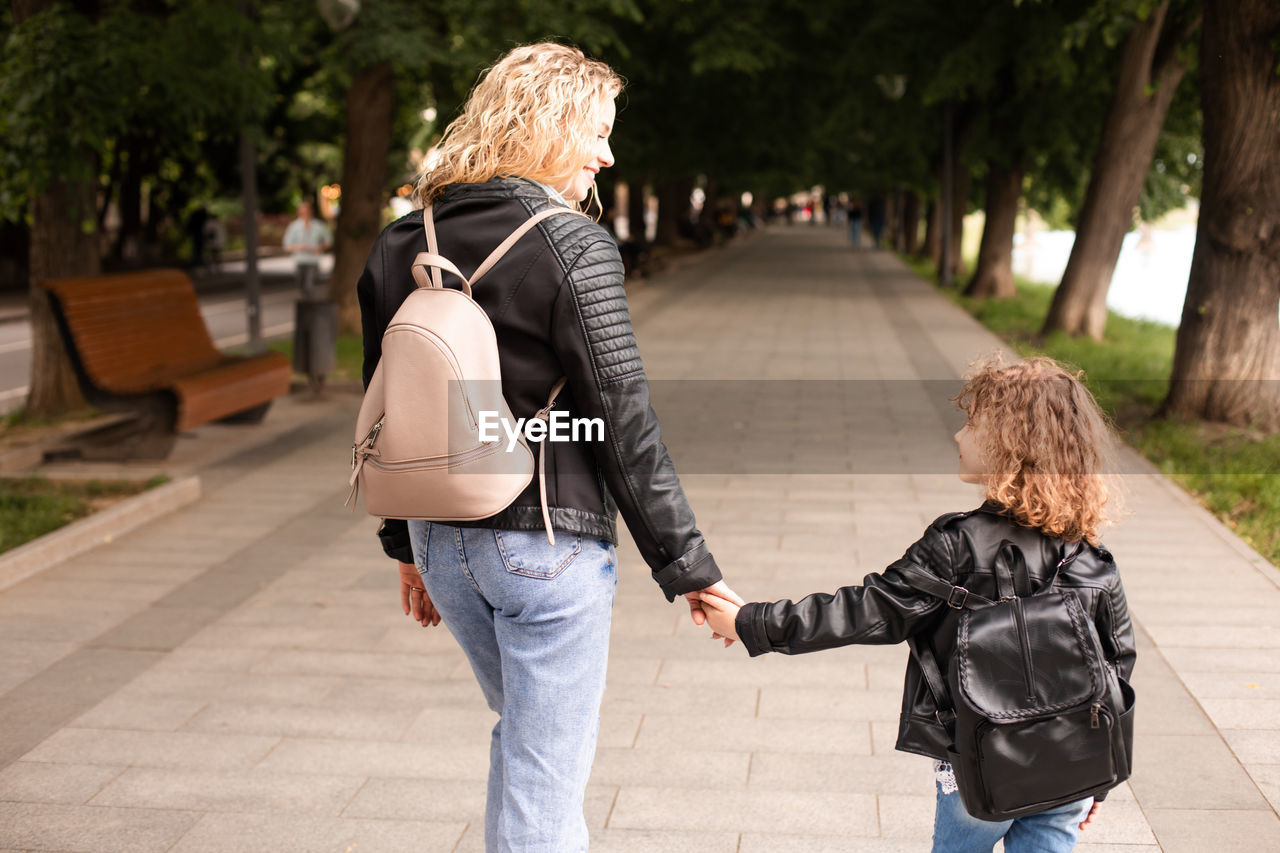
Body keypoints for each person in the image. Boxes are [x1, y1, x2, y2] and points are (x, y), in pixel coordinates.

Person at [355, 43, 740, 852]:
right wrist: (691, 570)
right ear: (545, 125)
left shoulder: (399, 242)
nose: (607, 153)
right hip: (544, 547)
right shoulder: (571, 242)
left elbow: (386, 409)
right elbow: (623, 422)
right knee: (545, 773)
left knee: (525, 744)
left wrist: (405, 548)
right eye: (596, 132)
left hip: (440, 538)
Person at [694, 356, 1135, 853]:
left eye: (973, 423)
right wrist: (1101, 770)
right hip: (1069, 762)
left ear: (1011, 445)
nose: (958, 436)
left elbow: (868, 609)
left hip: (982, 761)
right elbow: (1116, 671)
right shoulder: (1092, 559)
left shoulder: (957, 545)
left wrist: (751, 623)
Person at [283, 200, 331, 296]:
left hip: (313, 260)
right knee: (301, 284)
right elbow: (287, 245)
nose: (304, 214)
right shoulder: (294, 227)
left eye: (306, 211)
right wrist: (298, 248)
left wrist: (319, 247)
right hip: (300, 260)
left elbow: (328, 241)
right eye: (302, 212)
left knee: (309, 285)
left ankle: (310, 304)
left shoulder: (318, 226)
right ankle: (306, 302)